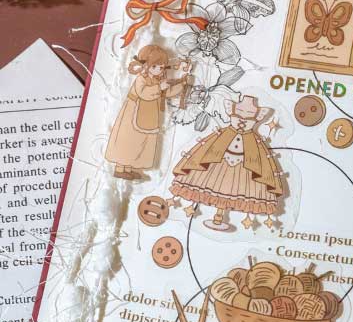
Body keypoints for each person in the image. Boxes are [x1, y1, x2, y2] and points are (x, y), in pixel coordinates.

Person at [171, 93, 284, 231]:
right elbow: (211, 148)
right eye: (239, 114)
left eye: (249, 116)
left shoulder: (254, 140)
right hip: (221, 158)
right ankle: (218, 217)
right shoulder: (224, 132)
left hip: (245, 163)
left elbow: (257, 160)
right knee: (216, 183)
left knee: (235, 187)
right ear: (232, 111)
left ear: (257, 117)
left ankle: (219, 217)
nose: (243, 119)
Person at [105, 45, 189, 179]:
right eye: (155, 66)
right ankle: (120, 168)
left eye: (162, 67)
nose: (159, 69)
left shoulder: (157, 80)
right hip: (133, 113)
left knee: (140, 142)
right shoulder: (141, 79)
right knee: (129, 139)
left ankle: (129, 168)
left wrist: (182, 85)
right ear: (146, 65)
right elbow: (143, 93)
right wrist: (159, 87)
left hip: (148, 114)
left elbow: (166, 93)